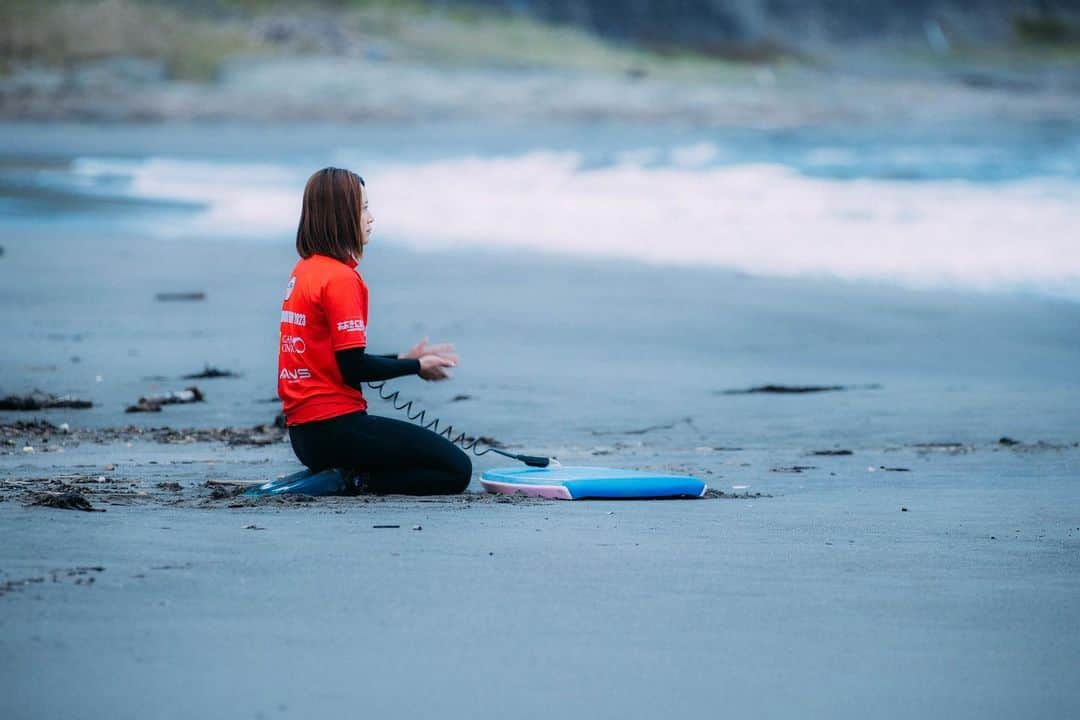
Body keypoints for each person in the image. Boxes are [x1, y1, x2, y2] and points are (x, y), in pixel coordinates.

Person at [278, 167, 471, 495]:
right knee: (455, 469)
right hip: (336, 430)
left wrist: (402, 358)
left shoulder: (306, 270)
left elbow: (335, 358)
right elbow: (353, 367)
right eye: (363, 208)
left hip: (306, 436)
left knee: (421, 456)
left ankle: (343, 474)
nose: (371, 217)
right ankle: (351, 481)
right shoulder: (340, 279)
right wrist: (415, 367)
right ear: (341, 216)